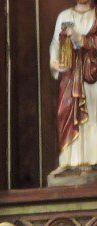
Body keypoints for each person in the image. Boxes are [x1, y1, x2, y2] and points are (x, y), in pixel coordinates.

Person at [51, 1, 97, 172]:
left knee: (93, 117)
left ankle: (92, 160)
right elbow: (55, 44)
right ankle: (69, 160)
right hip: (70, 76)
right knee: (67, 112)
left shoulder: (95, 15)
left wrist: (81, 39)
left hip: (91, 76)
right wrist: (54, 62)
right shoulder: (64, 16)